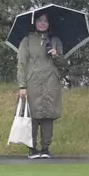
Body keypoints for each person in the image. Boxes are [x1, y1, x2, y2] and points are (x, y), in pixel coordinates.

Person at [16, 13, 68, 159]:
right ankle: (32, 148)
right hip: (32, 83)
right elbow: (21, 64)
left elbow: (63, 64)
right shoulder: (27, 41)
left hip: (51, 83)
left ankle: (45, 148)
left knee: (48, 115)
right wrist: (22, 86)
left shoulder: (55, 40)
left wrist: (56, 55)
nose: (43, 23)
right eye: (40, 20)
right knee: (32, 115)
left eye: (46, 20)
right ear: (34, 22)